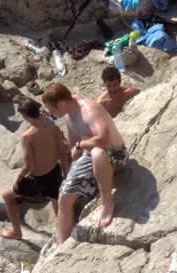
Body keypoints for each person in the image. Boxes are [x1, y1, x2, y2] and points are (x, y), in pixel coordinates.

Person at [41, 82, 127, 241]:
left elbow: (103, 139)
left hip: (114, 154)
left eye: (51, 108)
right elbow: (74, 144)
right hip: (88, 157)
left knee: (97, 153)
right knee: (64, 198)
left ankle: (107, 203)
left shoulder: (88, 110)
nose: (50, 112)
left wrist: (81, 145)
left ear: (60, 104)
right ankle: (62, 244)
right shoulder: (68, 115)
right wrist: (73, 162)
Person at [0, 98, 71, 240]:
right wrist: (66, 172)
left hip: (38, 179)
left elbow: (27, 166)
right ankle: (63, 232)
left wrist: (18, 179)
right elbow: (63, 152)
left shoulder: (28, 136)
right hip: (54, 171)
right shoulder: (53, 127)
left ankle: (16, 232)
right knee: (55, 198)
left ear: (25, 116)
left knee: (7, 196)